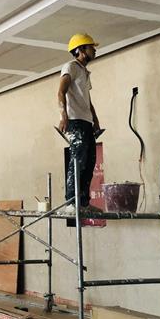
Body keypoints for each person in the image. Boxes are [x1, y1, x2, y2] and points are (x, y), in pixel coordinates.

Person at [58, 33, 102, 213]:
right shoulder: (71, 67)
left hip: (86, 121)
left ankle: (83, 202)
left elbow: (87, 100)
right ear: (81, 49)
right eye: (91, 47)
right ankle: (71, 202)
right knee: (78, 160)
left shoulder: (84, 72)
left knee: (90, 161)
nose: (95, 50)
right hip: (75, 120)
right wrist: (64, 116)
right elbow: (61, 92)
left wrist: (95, 120)